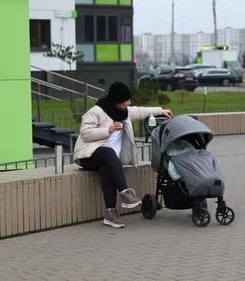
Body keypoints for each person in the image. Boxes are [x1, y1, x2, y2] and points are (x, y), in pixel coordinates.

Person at [73, 81, 173, 228]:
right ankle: (125, 193)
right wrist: (108, 130)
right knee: (108, 153)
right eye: (126, 101)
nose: (129, 103)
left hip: (107, 160)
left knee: (106, 168)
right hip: (89, 156)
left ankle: (110, 213)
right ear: (116, 102)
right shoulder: (96, 112)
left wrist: (160, 110)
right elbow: (85, 133)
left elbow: (139, 111)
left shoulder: (124, 113)